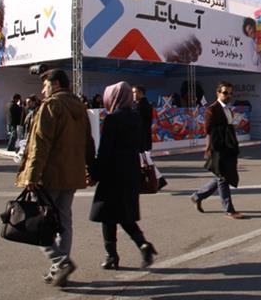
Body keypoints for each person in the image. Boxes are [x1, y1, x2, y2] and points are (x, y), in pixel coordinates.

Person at [16, 69, 95, 287]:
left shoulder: (51, 106)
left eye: (46, 85)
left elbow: (40, 144)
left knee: (39, 224)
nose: (43, 90)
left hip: (50, 175)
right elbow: (89, 142)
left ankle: (61, 262)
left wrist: (32, 175)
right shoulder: (80, 107)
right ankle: (58, 270)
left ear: (56, 84)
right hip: (72, 175)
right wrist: (91, 170)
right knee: (64, 222)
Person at [88, 82, 157, 270]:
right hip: (131, 171)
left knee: (107, 214)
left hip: (113, 173)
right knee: (122, 213)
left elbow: (105, 150)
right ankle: (142, 245)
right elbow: (142, 143)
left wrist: (95, 173)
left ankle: (112, 255)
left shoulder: (112, 119)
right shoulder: (136, 117)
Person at [190, 82, 244, 219]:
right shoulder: (212, 109)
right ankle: (229, 210)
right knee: (223, 178)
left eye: (230, 93)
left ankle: (198, 196)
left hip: (228, 148)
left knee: (221, 176)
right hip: (218, 149)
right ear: (218, 93)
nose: (228, 95)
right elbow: (208, 129)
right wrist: (226, 131)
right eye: (225, 93)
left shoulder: (228, 110)